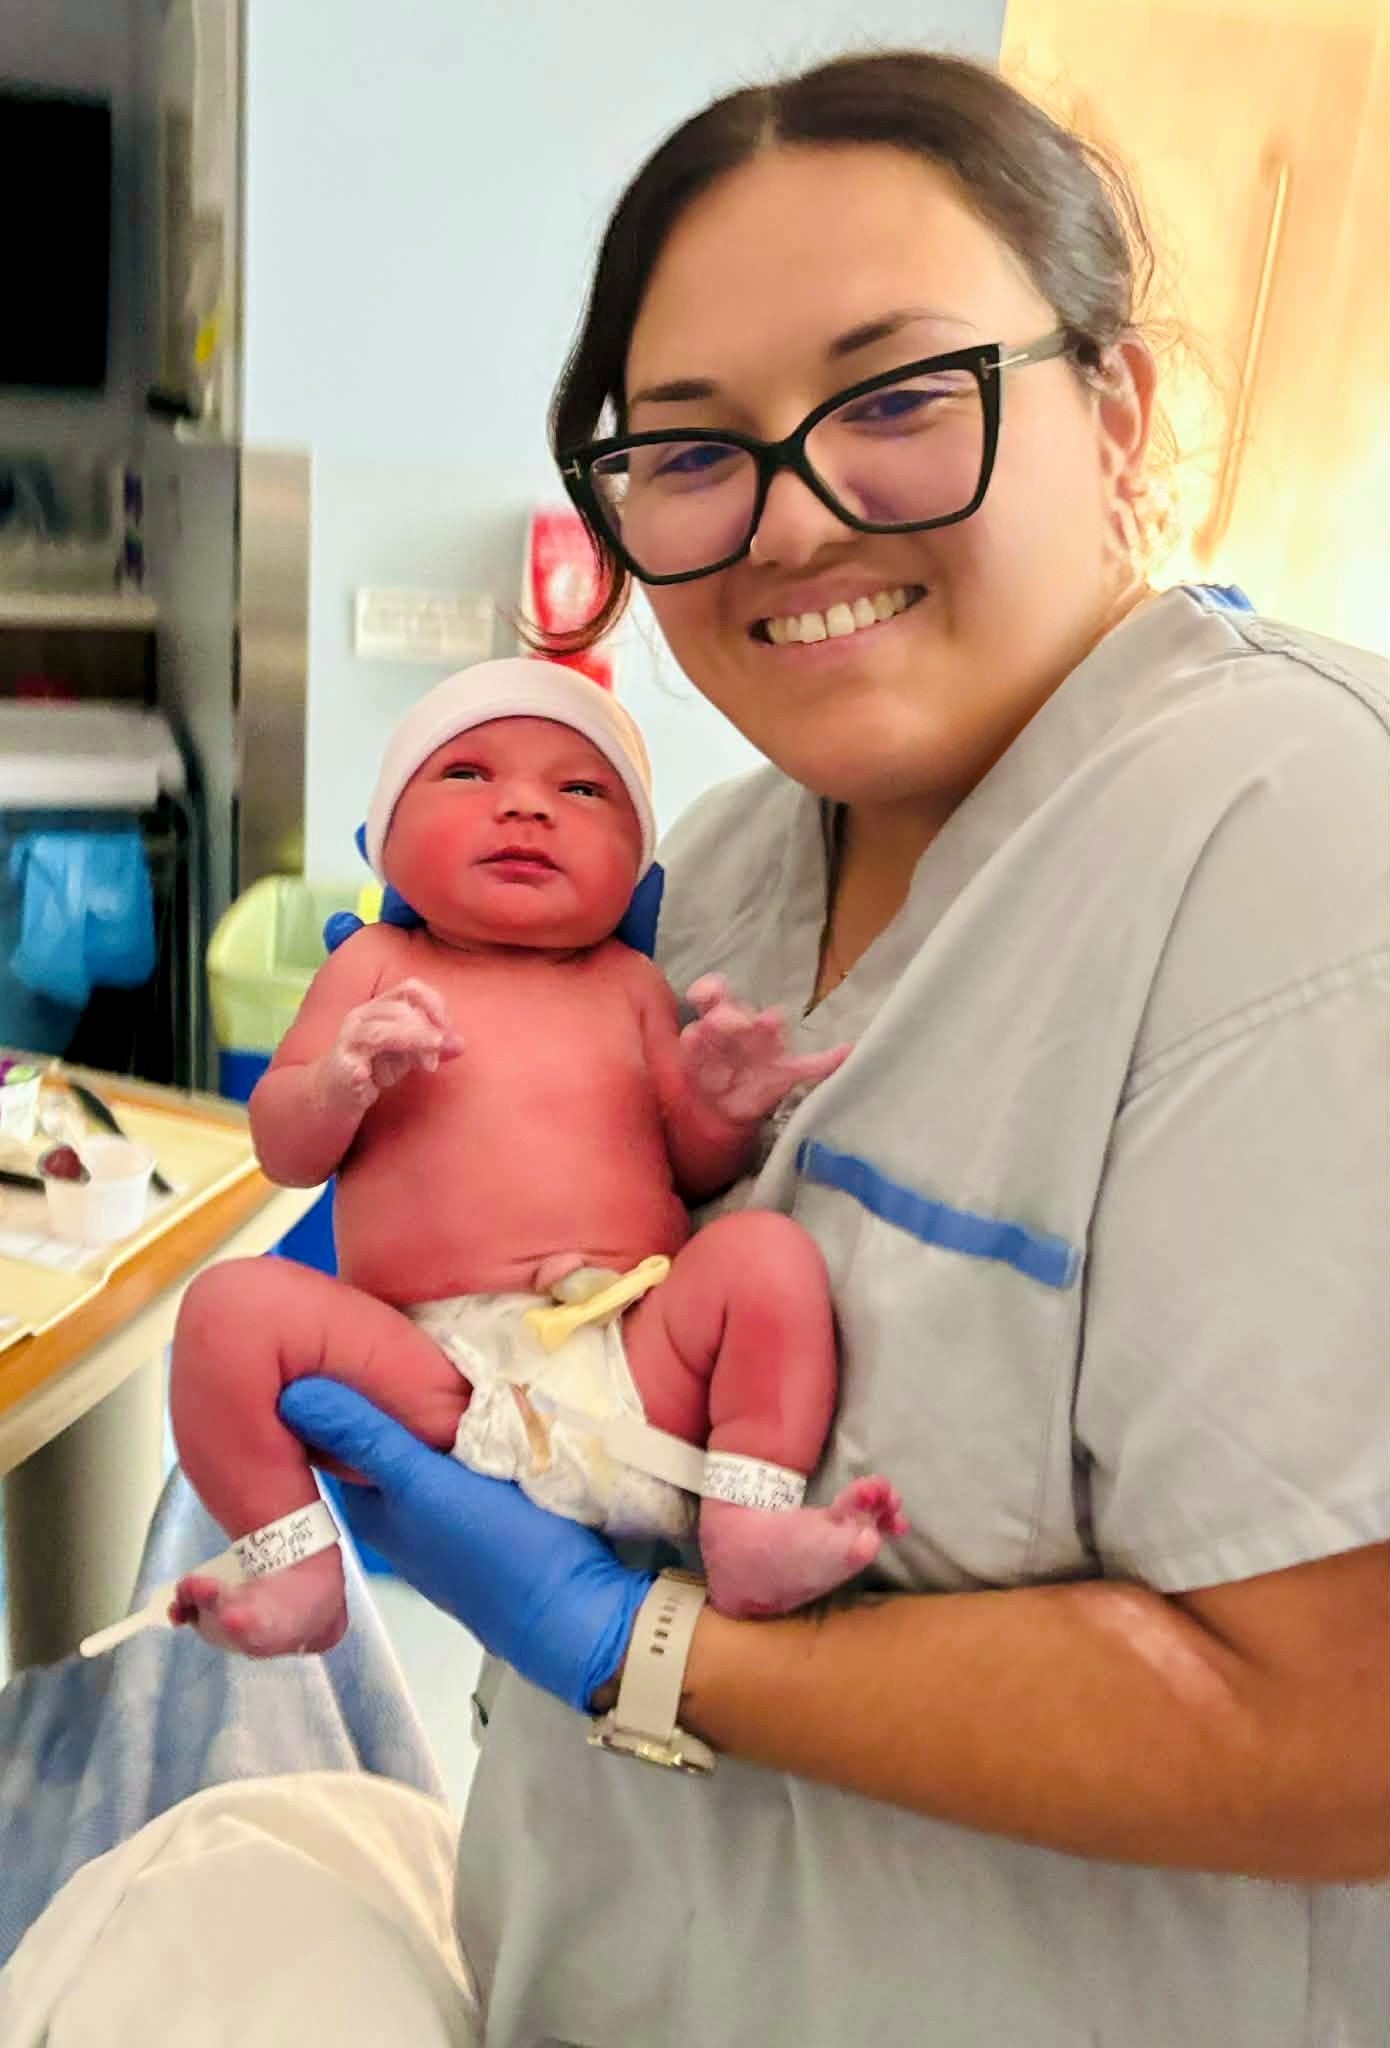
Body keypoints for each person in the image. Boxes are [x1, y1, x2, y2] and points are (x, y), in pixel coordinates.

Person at [1, 45, 1385, 2048]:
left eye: (900, 399)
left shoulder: (1295, 850)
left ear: (1118, 405)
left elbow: (1338, 1722)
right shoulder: (725, 857)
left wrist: (637, 1649)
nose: (790, 521)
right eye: (687, 448)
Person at [168, 657, 898, 1658]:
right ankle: (296, 1563)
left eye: (580, 788)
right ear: (388, 836)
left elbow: (686, 1173)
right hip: (431, 1363)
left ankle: (749, 1517)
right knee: (227, 1311)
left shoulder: (633, 984)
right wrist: (341, 1076)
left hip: (635, 1345)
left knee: (766, 1255)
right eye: (467, 774)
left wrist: (723, 1110)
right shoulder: (376, 967)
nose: (524, 808)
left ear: (637, 862)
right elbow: (283, 1148)